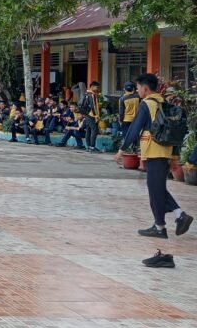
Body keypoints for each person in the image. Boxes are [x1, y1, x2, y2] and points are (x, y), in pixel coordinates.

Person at [117, 73, 193, 247]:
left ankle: (171, 220)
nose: (137, 91)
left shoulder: (147, 104)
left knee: (156, 189)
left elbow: (135, 128)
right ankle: (165, 222)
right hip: (165, 151)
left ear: (145, 88)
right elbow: (174, 131)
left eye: (138, 88)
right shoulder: (164, 103)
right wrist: (174, 156)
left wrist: (122, 149)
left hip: (154, 151)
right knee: (156, 188)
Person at [81, 81, 101, 152]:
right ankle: (92, 147)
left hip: (87, 115)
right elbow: (93, 106)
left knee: (88, 131)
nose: (98, 89)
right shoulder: (92, 95)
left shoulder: (86, 94)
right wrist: (96, 115)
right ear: (92, 87)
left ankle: (89, 146)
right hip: (92, 115)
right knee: (94, 131)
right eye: (97, 87)